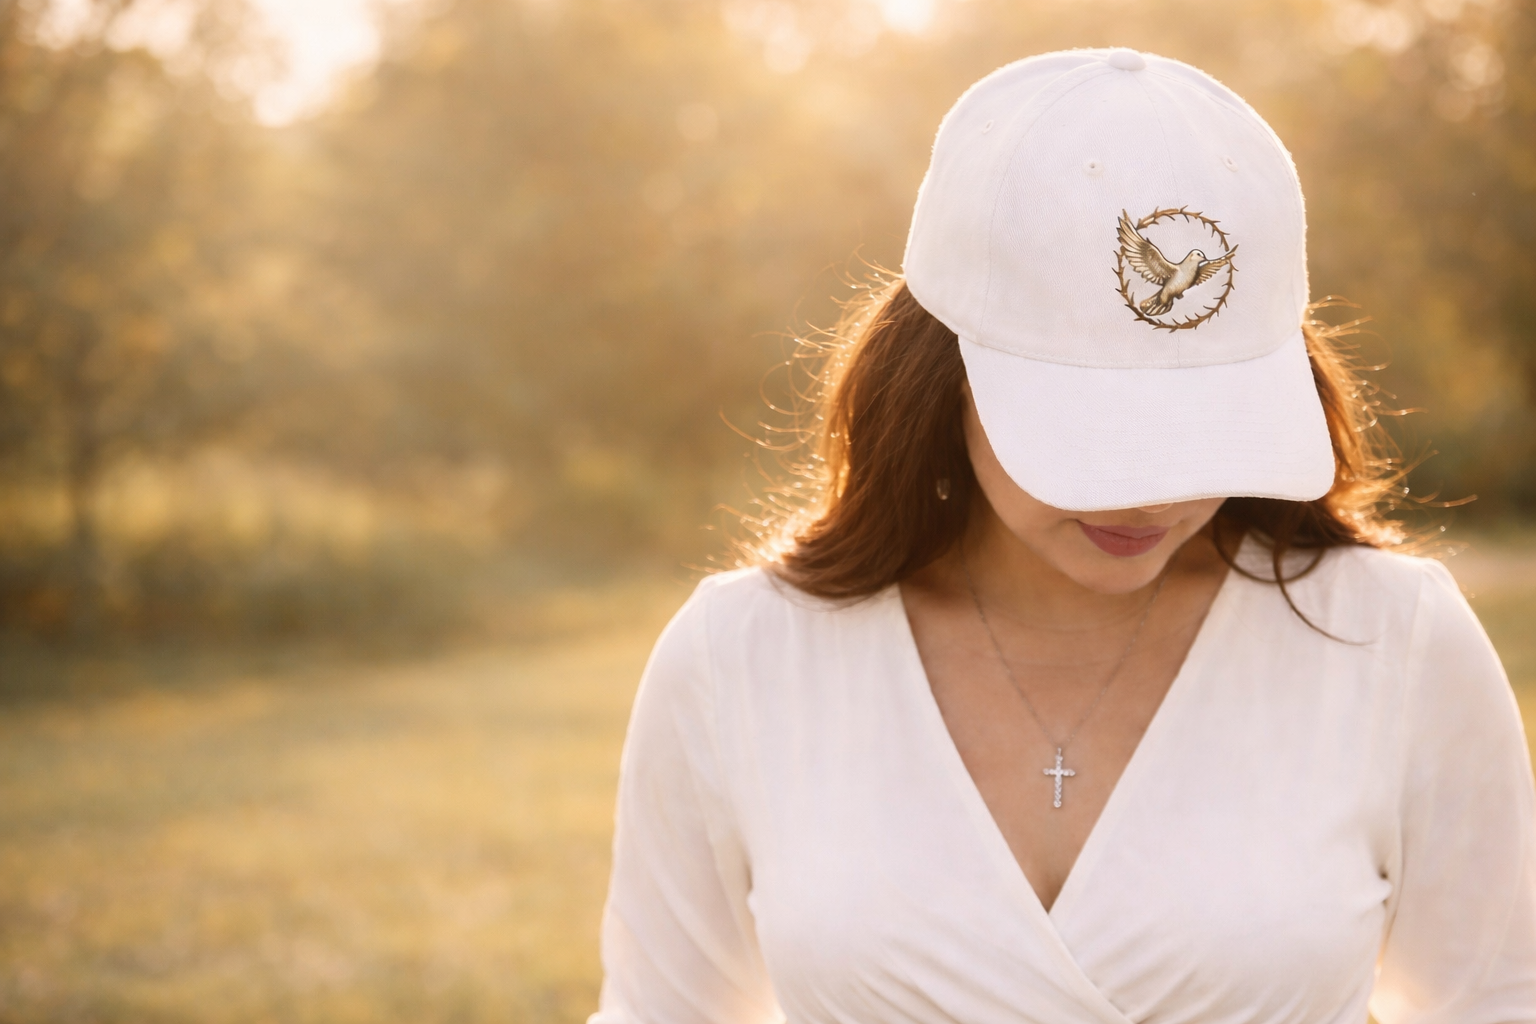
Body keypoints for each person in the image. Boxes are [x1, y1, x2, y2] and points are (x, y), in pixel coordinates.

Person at [589, 49, 1536, 1024]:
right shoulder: (742, 657)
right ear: (943, 370)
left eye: (1201, 423)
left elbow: (1501, 1002)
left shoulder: (1393, 642)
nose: (1150, 493)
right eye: (1093, 429)